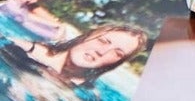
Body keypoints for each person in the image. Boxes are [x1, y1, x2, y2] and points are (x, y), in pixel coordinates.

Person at [8, 24, 148, 87]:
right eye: (103, 41)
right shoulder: (21, 47)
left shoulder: (87, 94)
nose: (102, 51)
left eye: (117, 53)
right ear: (86, 36)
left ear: (116, 63)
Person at [0, 0, 79, 43]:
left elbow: (30, 17)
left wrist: (59, 25)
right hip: (51, 36)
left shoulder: (22, 6)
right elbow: (27, 17)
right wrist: (58, 27)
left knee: (68, 32)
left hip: (52, 35)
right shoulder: (12, 5)